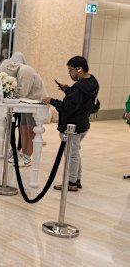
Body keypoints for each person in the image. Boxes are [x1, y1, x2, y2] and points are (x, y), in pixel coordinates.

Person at [42, 56, 99, 191]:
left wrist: (52, 101)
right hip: (83, 124)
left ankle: (71, 182)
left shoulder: (79, 88)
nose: (69, 73)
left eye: (70, 70)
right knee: (75, 152)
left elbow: (68, 107)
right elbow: (81, 99)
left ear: (79, 69)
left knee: (71, 154)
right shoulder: (92, 81)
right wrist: (68, 90)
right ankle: (76, 179)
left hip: (72, 126)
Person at [0, 52, 47, 166]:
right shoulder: (20, 72)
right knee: (22, 128)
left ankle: (28, 157)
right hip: (27, 103)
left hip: (36, 103)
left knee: (31, 130)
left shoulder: (25, 71)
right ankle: (22, 153)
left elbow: (21, 92)